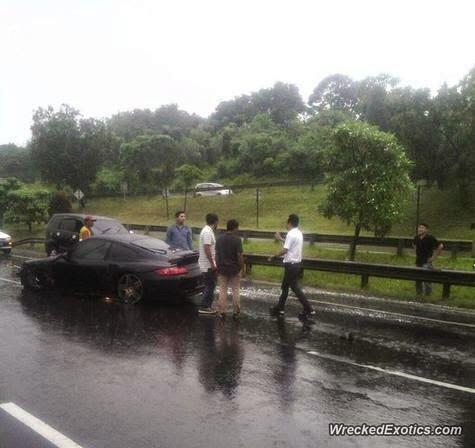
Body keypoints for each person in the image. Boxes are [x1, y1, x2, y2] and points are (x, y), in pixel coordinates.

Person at [268, 214, 316, 317]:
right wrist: (280, 238)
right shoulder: (299, 233)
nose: (286, 224)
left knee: (294, 287)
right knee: (285, 286)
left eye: (287, 222)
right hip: (296, 264)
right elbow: (289, 245)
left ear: (289, 223)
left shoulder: (290, 234)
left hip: (291, 265)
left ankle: (309, 309)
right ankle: (280, 308)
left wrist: (273, 256)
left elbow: (285, 250)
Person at [216, 219, 244, 318]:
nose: (238, 230)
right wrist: (241, 267)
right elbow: (239, 256)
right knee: (235, 289)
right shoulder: (237, 240)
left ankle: (222, 311)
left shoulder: (219, 239)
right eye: (237, 228)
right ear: (234, 228)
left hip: (222, 268)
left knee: (223, 289)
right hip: (234, 269)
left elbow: (217, 255)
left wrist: (218, 267)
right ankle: (236, 311)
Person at [413, 223, 444, 296]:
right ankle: (419, 295)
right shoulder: (416, 237)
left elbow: (440, 246)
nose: (420, 229)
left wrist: (434, 257)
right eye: (419, 228)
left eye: (422, 228)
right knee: (417, 279)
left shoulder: (430, 238)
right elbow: (414, 244)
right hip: (418, 261)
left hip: (427, 262)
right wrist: (416, 253)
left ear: (426, 230)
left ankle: (427, 296)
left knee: (427, 280)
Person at [198, 213, 219, 314]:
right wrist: (213, 263)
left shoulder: (207, 231)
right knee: (210, 285)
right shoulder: (207, 232)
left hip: (208, 264)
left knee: (209, 285)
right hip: (208, 265)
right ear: (215, 221)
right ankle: (204, 306)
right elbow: (207, 248)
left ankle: (206, 305)